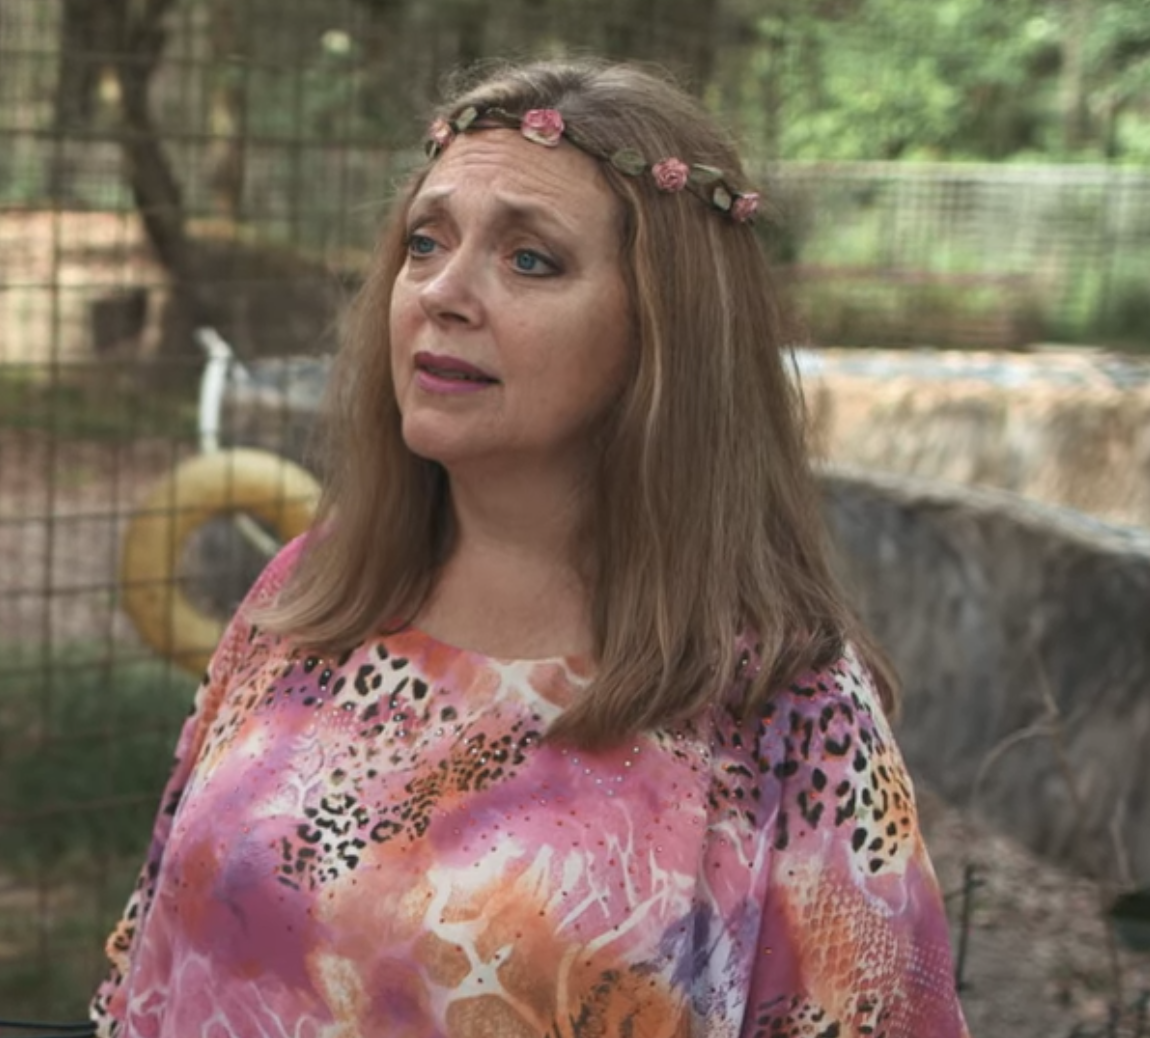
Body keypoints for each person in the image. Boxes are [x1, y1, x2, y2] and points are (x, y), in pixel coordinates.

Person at [92, 58, 970, 1038]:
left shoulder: (778, 704)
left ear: (663, 332)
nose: (443, 293)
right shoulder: (308, 594)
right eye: (425, 244)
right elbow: (153, 963)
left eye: (530, 259)